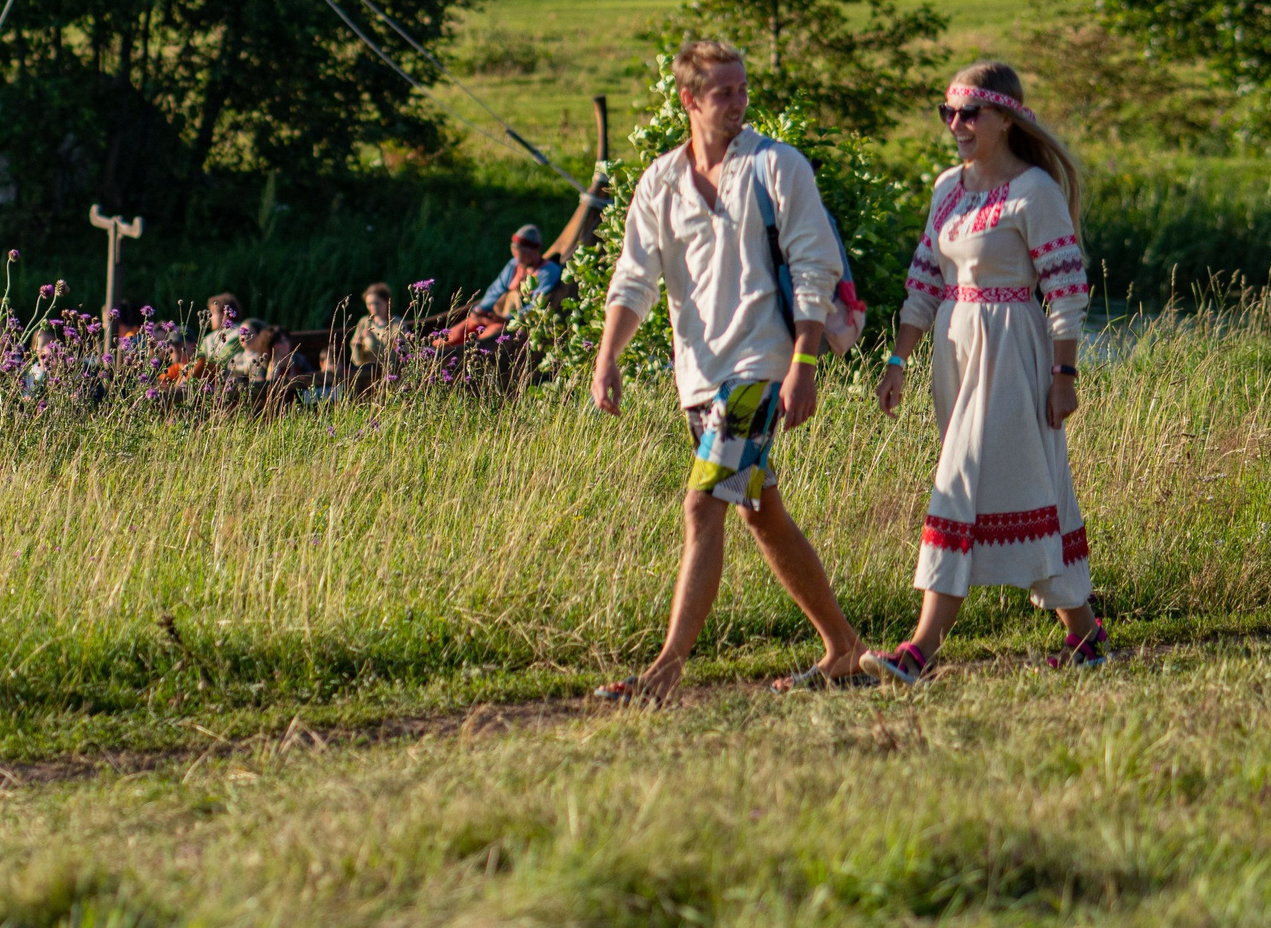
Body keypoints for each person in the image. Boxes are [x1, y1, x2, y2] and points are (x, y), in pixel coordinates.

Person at [591, 38, 873, 699]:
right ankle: (844, 646)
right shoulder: (660, 179)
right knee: (759, 513)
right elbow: (634, 279)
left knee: (701, 506)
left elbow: (815, 268)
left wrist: (802, 364)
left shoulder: (780, 165)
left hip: (761, 366)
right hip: (698, 374)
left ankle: (664, 669)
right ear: (689, 99)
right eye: (724, 92)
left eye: (743, 89)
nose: (739, 102)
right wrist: (607, 357)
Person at [866, 60, 1104, 685]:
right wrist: (898, 360)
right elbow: (923, 278)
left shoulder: (1035, 192)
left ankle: (920, 649)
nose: (957, 125)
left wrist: (1064, 373)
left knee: (960, 483)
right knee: (1030, 488)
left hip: (1011, 349)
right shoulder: (948, 186)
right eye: (949, 112)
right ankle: (1085, 636)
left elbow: (1067, 287)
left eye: (970, 113)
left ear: (1006, 117)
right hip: (955, 348)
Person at [440, 224, 561, 349]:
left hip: (513, 325)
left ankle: (466, 356)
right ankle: (435, 349)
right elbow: (497, 289)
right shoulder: (514, 265)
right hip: (494, 315)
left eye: (523, 256)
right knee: (458, 332)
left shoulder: (548, 272)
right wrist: (482, 309)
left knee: (489, 336)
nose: (518, 261)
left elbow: (536, 306)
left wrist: (507, 319)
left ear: (534, 251)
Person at [344, 282, 402, 394]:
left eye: (376, 303)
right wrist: (357, 344)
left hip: (390, 374)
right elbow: (356, 359)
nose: (373, 307)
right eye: (369, 304)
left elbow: (398, 352)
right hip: (366, 376)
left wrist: (374, 341)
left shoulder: (396, 323)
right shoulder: (365, 322)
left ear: (386, 302)